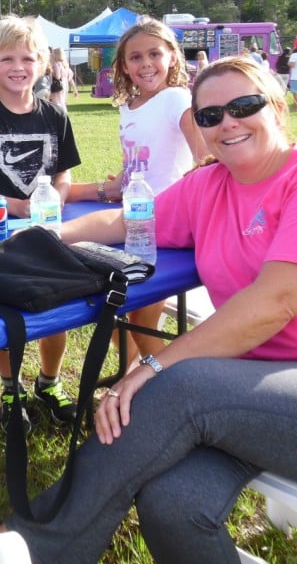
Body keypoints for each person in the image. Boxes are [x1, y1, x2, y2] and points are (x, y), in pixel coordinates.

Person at [0, 56, 297, 563]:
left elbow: (277, 302)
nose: (227, 122)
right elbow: (124, 220)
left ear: (276, 107)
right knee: (172, 503)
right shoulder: (211, 187)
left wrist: (156, 362)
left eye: (244, 105)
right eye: (209, 116)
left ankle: (21, 550)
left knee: (180, 386)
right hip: (258, 393)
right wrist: (46, 233)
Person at [0, 15, 82, 433]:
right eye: (7, 58)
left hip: (47, 233)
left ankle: (49, 382)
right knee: (8, 312)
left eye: (28, 58)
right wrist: (14, 205)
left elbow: (63, 176)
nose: (18, 66)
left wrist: (53, 202)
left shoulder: (56, 117)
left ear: (44, 64)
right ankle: (11, 389)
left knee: (58, 306)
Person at [67, 19, 206, 365]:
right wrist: (69, 193)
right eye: (135, 57)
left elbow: (205, 159)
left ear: (172, 56)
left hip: (164, 222)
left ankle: (165, 387)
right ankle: (131, 377)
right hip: (134, 216)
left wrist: (180, 200)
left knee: (142, 320)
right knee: (109, 310)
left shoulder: (176, 99)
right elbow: (127, 177)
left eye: (154, 54)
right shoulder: (128, 108)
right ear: (124, 65)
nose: (145, 64)